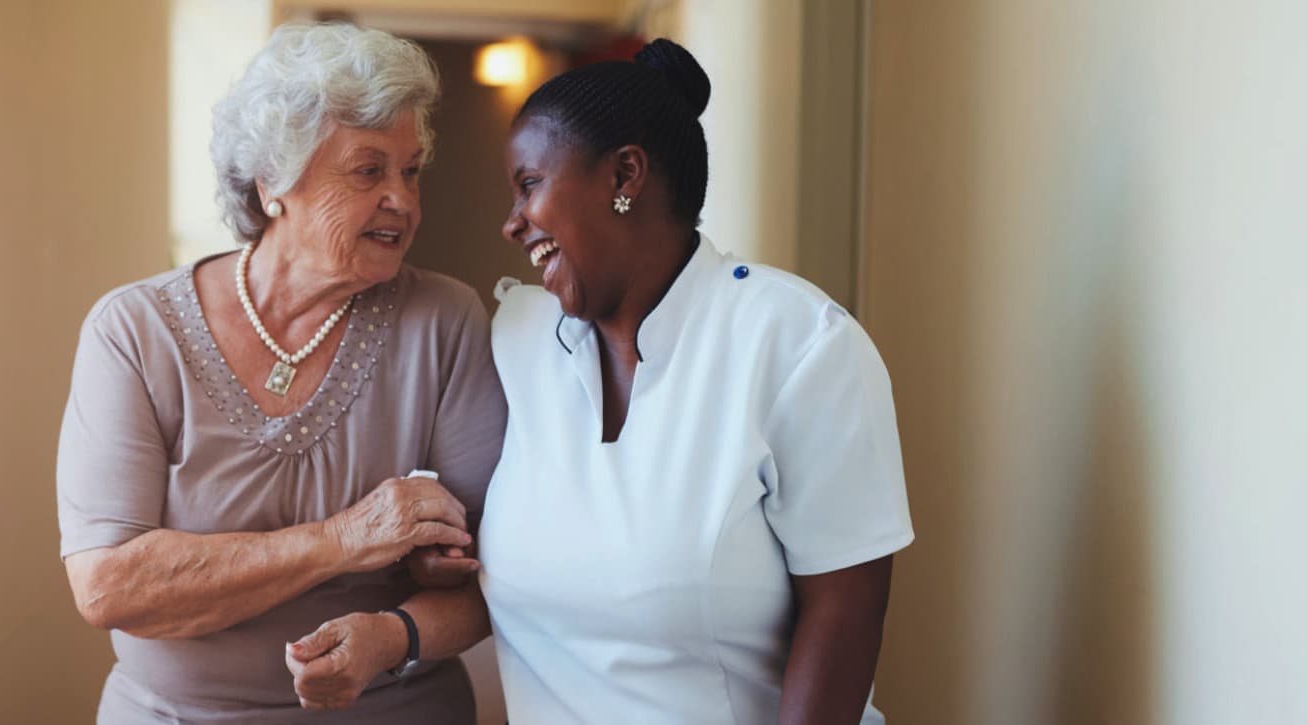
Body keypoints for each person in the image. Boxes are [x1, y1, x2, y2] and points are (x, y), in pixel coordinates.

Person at [55, 22, 503, 723]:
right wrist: (343, 539)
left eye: (410, 169)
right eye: (368, 170)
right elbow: (107, 585)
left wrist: (394, 632)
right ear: (273, 184)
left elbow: (499, 575)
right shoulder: (135, 332)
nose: (403, 199)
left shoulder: (445, 321)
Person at [477, 38, 915, 723]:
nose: (512, 222)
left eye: (529, 184)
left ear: (625, 175)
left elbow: (846, 608)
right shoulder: (516, 341)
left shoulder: (799, 345)